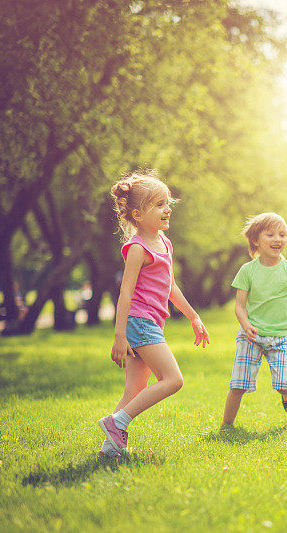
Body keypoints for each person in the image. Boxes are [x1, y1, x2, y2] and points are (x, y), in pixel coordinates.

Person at [97, 169, 210, 457]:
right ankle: (117, 422)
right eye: (159, 204)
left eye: (167, 203)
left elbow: (170, 286)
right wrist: (120, 336)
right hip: (139, 324)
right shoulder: (137, 248)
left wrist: (194, 316)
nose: (167, 209)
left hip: (150, 323)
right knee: (173, 380)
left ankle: (109, 449)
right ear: (137, 214)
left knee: (135, 388)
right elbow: (125, 294)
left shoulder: (164, 243)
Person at [222, 212, 287, 426]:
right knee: (238, 384)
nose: (278, 239)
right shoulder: (247, 271)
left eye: (282, 234)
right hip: (251, 336)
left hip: (282, 338)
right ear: (256, 240)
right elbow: (239, 306)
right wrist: (247, 325)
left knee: (283, 383)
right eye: (270, 234)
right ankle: (226, 426)